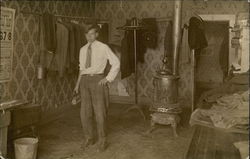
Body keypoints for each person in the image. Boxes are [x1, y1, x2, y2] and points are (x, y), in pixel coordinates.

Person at [74, 24, 120, 152]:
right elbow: (81, 69)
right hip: (84, 81)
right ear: (85, 35)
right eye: (87, 34)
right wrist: (77, 85)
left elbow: (116, 63)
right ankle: (89, 138)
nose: (89, 36)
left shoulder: (103, 47)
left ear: (97, 34)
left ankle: (102, 140)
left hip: (98, 81)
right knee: (85, 113)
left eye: (92, 33)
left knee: (100, 113)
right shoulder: (82, 49)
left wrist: (107, 78)